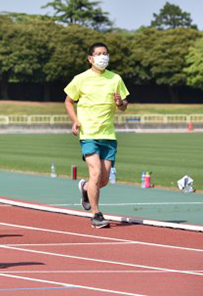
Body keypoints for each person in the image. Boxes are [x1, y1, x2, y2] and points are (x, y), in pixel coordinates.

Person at [64, 42, 129, 229]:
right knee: (96, 172)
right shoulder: (80, 79)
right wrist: (75, 120)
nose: (103, 57)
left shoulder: (115, 78)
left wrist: (120, 103)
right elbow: (68, 101)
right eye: (99, 54)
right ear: (90, 58)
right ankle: (96, 214)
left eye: (106, 53)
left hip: (108, 134)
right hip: (89, 133)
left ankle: (85, 188)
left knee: (104, 179)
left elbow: (124, 106)